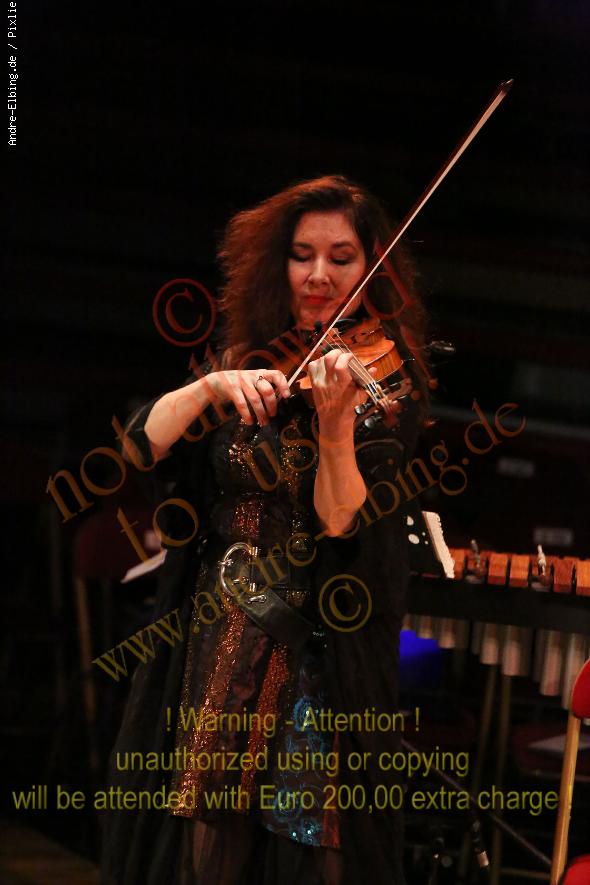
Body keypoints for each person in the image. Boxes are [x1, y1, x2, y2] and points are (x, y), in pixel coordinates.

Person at [101, 174, 431, 885]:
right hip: (218, 643)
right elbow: (137, 446)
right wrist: (209, 387)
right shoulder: (246, 359)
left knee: (311, 847)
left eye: (341, 257)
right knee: (205, 851)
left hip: (314, 651)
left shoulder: (385, 380)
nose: (318, 275)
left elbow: (341, 519)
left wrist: (335, 427)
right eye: (301, 255)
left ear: (371, 265)